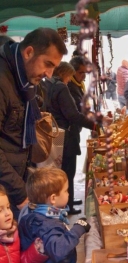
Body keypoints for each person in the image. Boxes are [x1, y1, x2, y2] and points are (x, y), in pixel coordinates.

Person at [0, 27, 67, 220]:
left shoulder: (24, 82)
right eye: (47, 64)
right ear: (28, 52)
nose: (49, 73)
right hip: (5, 193)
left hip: (15, 179)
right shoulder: (3, 80)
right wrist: (19, 193)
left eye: (54, 67)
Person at [41, 61, 95, 215]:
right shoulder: (61, 87)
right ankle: (67, 205)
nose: (70, 80)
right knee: (68, 171)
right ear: (65, 74)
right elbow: (73, 114)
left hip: (53, 134)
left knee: (59, 171)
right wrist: (94, 125)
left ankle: (66, 200)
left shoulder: (47, 84)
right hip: (65, 135)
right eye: (70, 76)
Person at [18, 167, 91, 263]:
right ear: (53, 198)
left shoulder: (36, 212)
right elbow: (58, 250)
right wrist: (77, 229)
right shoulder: (45, 223)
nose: (68, 194)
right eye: (66, 191)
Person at [0, 184, 48, 262]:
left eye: (8, 207)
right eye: (0, 210)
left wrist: (36, 250)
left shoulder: (14, 233)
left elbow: (21, 260)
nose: (7, 213)